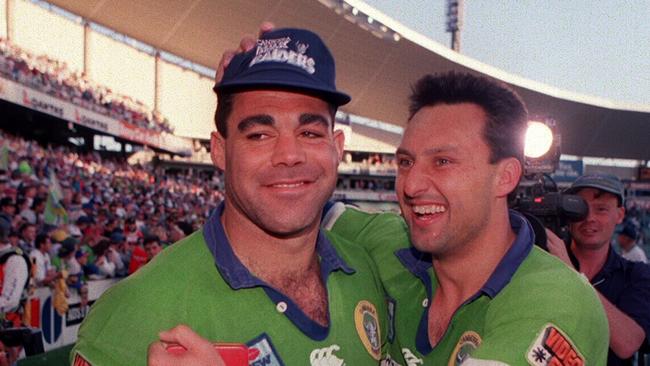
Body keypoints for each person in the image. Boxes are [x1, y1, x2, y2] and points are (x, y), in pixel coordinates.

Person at [72, 28, 399, 366]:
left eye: (310, 132)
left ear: (337, 148)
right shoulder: (138, 311)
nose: (289, 154)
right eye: (259, 134)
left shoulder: (364, 269)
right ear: (219, 150)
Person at [326, 72, 609, 364]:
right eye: (406, 162)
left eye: (443, 162)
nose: (410, 185)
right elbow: (295, 211)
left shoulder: (559, 301)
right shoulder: (386, 240)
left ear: (505, 177)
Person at [547, 173, 650, 365]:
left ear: (620, 215)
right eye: (580, 209)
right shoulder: (542, 262)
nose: (589, 218)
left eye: (601, 209)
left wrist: (572, 275)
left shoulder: (636, 275)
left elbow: (628, 344)